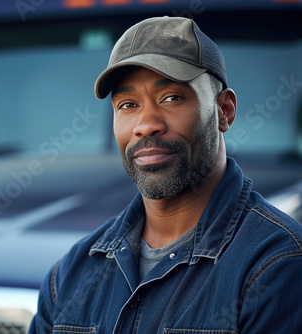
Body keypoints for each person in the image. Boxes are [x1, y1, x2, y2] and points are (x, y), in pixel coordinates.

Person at [29, 16, 302, 333]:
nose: (146, 124)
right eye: (128, 104)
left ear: (224, 110)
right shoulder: (71, 273)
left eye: (171, 97)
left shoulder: (277, 264)